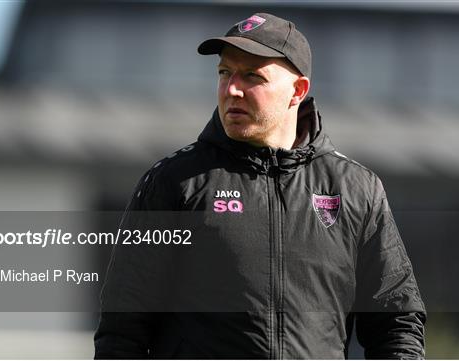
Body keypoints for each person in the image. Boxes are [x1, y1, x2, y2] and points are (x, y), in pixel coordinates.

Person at [95, 13, 426, 359]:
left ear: (297, 91)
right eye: (225, 73)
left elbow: (397, 323)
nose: (232, 89)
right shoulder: (174, 182)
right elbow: (122, 333)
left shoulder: (357, 189)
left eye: (252, 76)